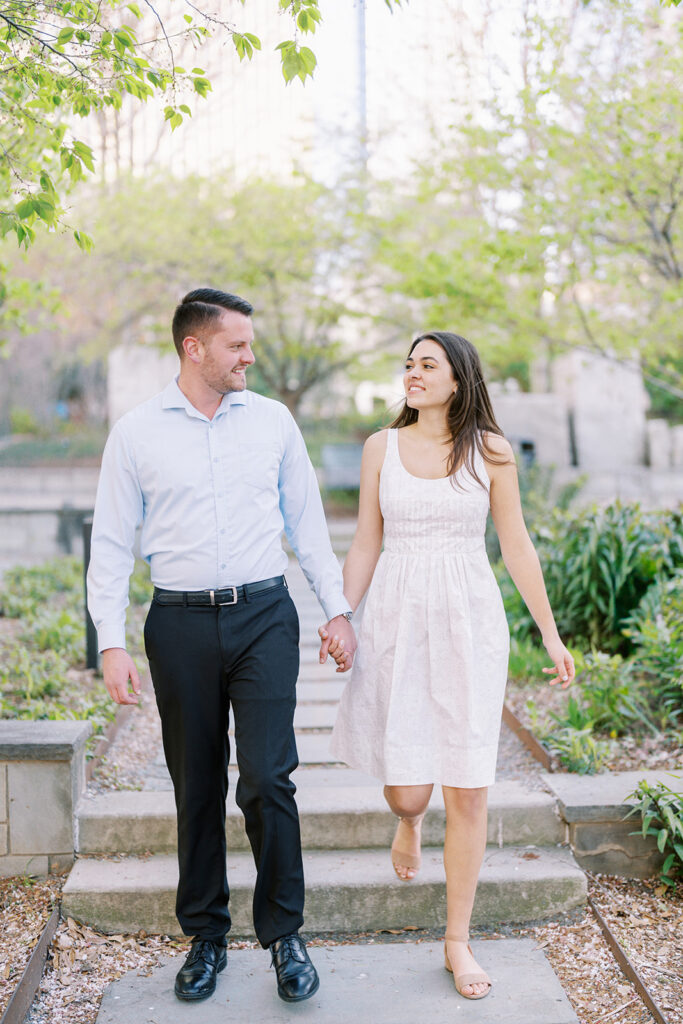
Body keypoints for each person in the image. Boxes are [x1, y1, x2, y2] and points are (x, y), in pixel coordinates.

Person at [87, 288, 355, 1004]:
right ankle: (205, 937)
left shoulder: (272, 421)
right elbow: (111, 542)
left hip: (265, 615)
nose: (250, 356)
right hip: (176, 623)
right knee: (196, 782)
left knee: (268, 778)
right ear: (193, 347)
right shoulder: (137, 432)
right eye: (237, 345)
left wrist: (339, 610)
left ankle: (284, 935)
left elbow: (307, 526)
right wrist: (109, 643)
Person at [322, 331, 574, 1002]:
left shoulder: (490, 450)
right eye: (408, 364)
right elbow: (365, 542)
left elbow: (515, 546)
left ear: (457, 379)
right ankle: (407, 822)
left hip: (468, 619)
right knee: (410, 790)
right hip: (396, 619)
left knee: (466, 784)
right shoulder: (381, 447)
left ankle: (456, 939)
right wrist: (340, 613)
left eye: (426, 365)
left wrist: (549, 635)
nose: (412, 374)